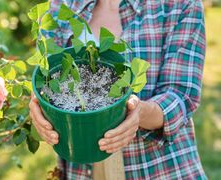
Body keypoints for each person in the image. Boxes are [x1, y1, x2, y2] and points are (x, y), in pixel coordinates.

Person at [29, 0, 207, 179]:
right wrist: (39, 109)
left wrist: (137, 113)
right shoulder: (60, 7)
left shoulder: (180, 5)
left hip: (159, 167)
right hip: (81, 168)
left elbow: (181, 97)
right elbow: (46, 82)